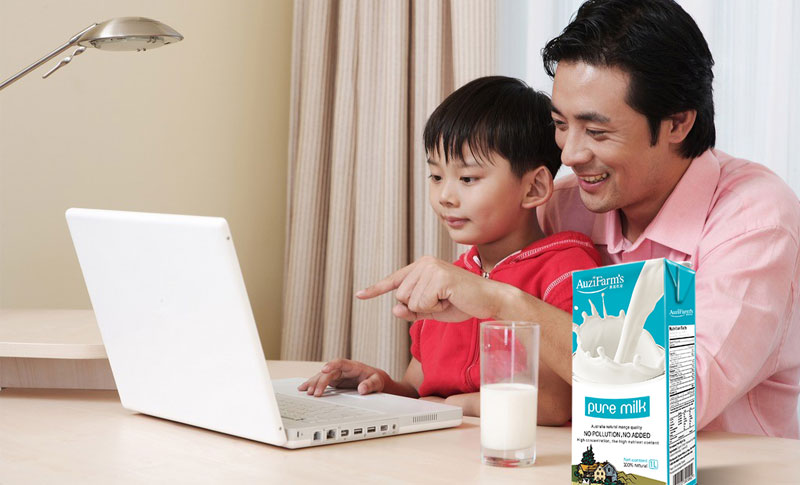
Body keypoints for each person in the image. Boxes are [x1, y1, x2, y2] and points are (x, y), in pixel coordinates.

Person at [357, 0, 800, 438]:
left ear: (677, 123)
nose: (568, 155)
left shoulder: (756, 223)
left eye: (597, 131)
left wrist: (504, 302)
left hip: (726, 465)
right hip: (581, 463)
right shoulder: (561, 204)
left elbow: (677, 401)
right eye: (561, 124)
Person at [299, 76, 601, 421]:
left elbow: (556, 405)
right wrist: (380, 384)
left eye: (467, 178)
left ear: (533, 188)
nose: (445, 196)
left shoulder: (567, 272)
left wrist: (454, 406)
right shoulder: (447, 283)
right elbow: (418, 389)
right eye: (436, 176)